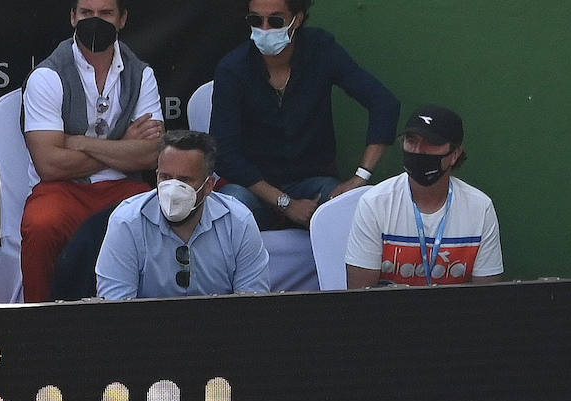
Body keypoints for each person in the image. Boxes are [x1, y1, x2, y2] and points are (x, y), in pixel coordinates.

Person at [211, 0, 400, 232]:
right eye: (255, 20)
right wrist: (286, 203)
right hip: (253, 188)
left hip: (313, 184)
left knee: (347, 209)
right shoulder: (232, 68)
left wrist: (360, 177)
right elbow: (224, 154)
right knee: (231, 208)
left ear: (297, 19)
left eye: (276, 20)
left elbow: (384, 103)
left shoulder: (321, 50)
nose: (265, 28)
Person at [21, 0, 164, 302]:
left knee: (154, 217)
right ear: (73, 17)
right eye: (86, 13)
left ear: (122, 19)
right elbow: (50, 165)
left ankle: (138, 328)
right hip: (61, 189)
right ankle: (38, 327)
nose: (94, 20)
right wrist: (123, 145)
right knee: (42, 225)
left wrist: (81, 142)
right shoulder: (48, 75)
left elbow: (152, 155)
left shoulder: (141, 75)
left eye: (105, 13)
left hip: (123, 187)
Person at [95, 130, 271, 300]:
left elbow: (252, 308)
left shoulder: (239, 221)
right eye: (165, 177)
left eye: (184, 180)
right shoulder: (126, 222)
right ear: (156, 176)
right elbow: (115, 310)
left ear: (209, 185)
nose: (172, 189)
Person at [345, 105, 503, 288]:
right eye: (411, 140)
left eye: (431, 142)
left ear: (454, 155)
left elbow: (487, 301)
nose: (418, 150)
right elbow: (360, 299)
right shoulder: (374, 203)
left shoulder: (480, 208)